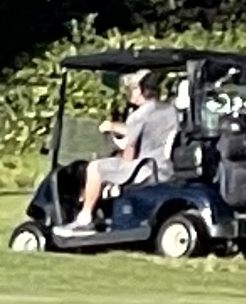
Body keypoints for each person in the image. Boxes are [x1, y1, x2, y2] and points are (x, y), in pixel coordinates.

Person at [67, 70, 183, 232]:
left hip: (144, 169)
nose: (131, 92)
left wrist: (118, 162)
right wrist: (114, 127)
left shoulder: (138, 116)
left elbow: (129, 152)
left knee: (94, 168)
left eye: (134, 88)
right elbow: (142, 129)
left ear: (142, 90)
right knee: (109, 166)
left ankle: (84, 218)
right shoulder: (170, 110)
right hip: (165, 167)